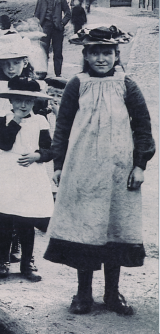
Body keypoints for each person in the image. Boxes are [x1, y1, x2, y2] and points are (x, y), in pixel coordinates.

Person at [44, 27, 155, 316]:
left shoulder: (127, 85)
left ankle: (112, 292)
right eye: (95, 52)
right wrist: (58, 165)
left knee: (114, 229)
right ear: (86, 55)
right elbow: (63, 128)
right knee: (86, 230)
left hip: (119, 173)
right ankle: (83, 293)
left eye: (107, 52)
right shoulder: (76, 84)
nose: (101, 58)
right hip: (82, 173)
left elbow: (143, 127)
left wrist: (140, 165)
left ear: (117, 55)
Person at [0, 78, 54, 282]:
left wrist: (38, 155)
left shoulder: (40, 121)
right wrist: (16, 120)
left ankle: (28, 262)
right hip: (6, 173)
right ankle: (3, 259)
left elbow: (49, 148)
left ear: (35, 102)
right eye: (18, 100)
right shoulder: (2, 120)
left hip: (29, 175)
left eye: (28, 101)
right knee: (5, 220)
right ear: (10, 101)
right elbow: (5, 144)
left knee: (26, 221)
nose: (23, 105)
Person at [33, 0, 71, 77]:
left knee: (57, 51)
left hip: (57, 28)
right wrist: (36, 25)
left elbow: (68, 13)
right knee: (43, 51)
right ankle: (43, 73)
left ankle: (58, 74)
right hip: (44, 27)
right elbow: (36, 13)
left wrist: (62, 23)